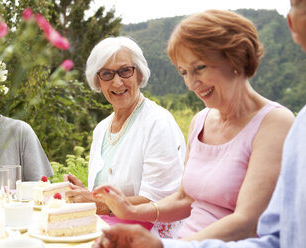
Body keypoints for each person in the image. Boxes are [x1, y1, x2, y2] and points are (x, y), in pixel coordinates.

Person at [92, 9, 296, 244]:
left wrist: (166, 245)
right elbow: (185, 199)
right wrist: (130, 210)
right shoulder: (201, 121)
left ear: (235, 57)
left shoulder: (275, 123)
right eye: (184, 72)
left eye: (199, 68)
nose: (191, 83)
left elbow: (246, 222)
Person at [64, 36, 186, 238]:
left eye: (125, 71)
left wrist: (101, 204)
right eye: (107, 74)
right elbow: (108, 199)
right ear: (98, 81)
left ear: (139, 74)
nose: (117, 81)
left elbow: (160, 202)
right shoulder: (101, 129)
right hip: (109, 234)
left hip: (150, 238)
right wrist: (85, 194)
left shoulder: (158, 123)